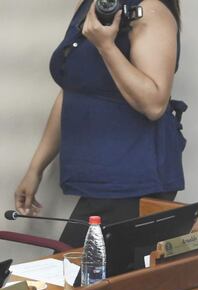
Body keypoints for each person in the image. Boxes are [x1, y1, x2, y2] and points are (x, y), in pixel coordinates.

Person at [15, 0, 187, 248]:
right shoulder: (89, 5)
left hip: (133, 179)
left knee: (76, 279)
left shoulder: (151, 11)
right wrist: (35, 169)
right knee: (78, 277)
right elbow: (73, 90)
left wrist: (106, 46)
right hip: (98, 176)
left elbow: (154, 105)